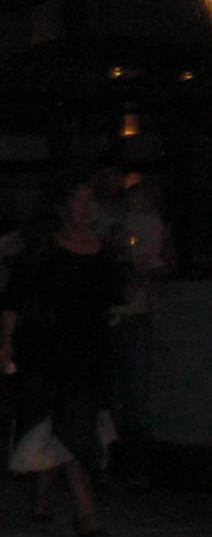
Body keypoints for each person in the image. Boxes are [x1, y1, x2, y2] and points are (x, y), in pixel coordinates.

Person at [0, 175, 126, 537]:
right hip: (49, 348)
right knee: (65, 423)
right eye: (78, 200)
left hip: (90, 350)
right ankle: (87, 512)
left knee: (68, 423)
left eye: (90, 200)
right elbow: (15, 299)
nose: (86, 208)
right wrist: (6, 342)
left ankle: (41, 498)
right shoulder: (45, 249)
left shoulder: (103, 250)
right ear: (63, 207)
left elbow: (115, 296)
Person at [106, 179, 174, 487]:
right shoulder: (118, 225)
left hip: (133, 315)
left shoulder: (150, 225)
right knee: (114, 396)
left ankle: (135, 468)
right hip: (115, 314)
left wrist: (145, 270)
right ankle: (115, 463)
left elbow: (158, 264)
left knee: (134, 397)